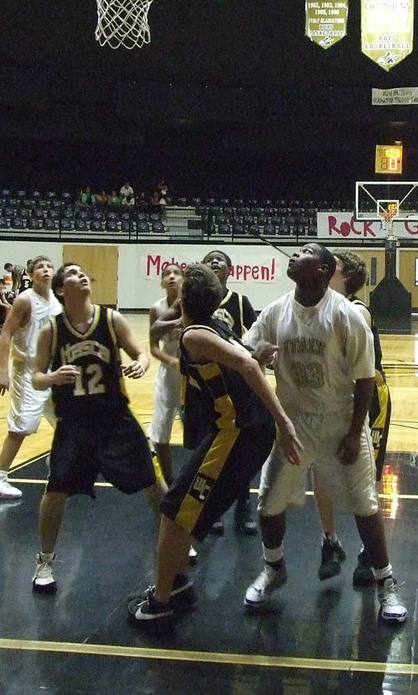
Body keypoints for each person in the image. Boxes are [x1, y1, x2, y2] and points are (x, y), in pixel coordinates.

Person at [128, 263, 303, 629]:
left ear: (182, 298)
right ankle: (173, 585)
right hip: (241, 429)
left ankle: (160, 602)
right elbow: (244, 358)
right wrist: (260, 357)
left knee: (174, 510)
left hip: (238, 432)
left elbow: (244, 364)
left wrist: (284, 423)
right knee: (184, 511)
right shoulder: (215, 323)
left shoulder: (195, 336)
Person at [241, 243, 407, 624]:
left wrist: (352, 434)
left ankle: (386, 583)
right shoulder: (276, 310)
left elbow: (365, 379)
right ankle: (274, 568)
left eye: (304, 253)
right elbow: (248, 351)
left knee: (365, 506)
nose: (295, 255)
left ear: (324, 269)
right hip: (294, 424)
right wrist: (258, 355)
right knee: (268, 503)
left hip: (339, 422)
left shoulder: (346, 315)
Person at [29, 262, 162, 593]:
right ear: (62, 290)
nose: (82, 275)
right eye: (73, 274)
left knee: (151, 480)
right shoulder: (52, 330)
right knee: (55, 490)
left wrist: (139, 365)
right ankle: (45, 560)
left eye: (83, 272)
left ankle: (176, 539)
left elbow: (142, 354)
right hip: (74, 422)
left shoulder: (111, 319)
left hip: (115, 418)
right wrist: (53, 377)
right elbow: (35, 376)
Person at [313, 250, 393, 583]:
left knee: (367, 476)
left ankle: (368, 551)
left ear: (344, 277)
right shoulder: (317, 308)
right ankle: (329, 539)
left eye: (333, 269)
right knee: (320, 468)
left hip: (369, 397)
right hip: (331, 399)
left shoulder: (356, 310)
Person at [0, 256, 62, 500]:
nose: (46, 270)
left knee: (66, 421)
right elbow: (6, 334)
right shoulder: (24, 300)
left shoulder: (57, 301)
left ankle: (59, 463)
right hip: (27, 371)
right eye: (41, 267)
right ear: (30, 274)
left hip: (52, 371)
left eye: (49, 266)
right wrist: (3, 371)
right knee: (21, 428)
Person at [204, 250, 260, 535]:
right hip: (206, 385)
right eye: (209, 259)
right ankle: (210, 507)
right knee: (210, 450)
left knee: (241, 448)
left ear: (230, 269)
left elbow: (254, 337)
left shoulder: (239, 302)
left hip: (235, 384)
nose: (215, 262)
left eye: (220, 260)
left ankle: (242, 505)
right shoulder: (194, 300)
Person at [147, 261, 185, 486]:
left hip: (192, 374)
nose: (171, 276)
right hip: (168, 373)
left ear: (183, 279)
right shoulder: (157, 309)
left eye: (176, 273)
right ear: (162, 282)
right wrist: (171, 360)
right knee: (161, 430)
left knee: (195, 429)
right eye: (167, 274)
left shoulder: (192, 304)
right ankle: (169, 480)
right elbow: (152, 347)